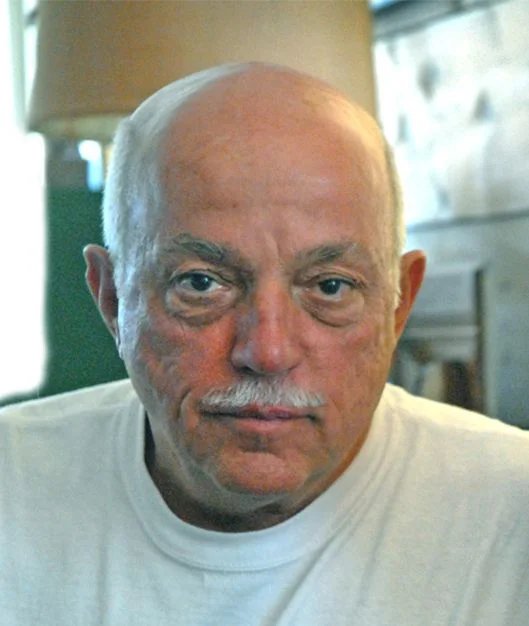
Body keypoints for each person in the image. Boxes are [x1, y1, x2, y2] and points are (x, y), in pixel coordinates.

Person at [1, 63, 528, 625]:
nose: (267, 353)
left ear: (399, 305)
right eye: (200, 283)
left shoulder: (512, 509)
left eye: (330, 287)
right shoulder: (13, 487)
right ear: (112, 299)